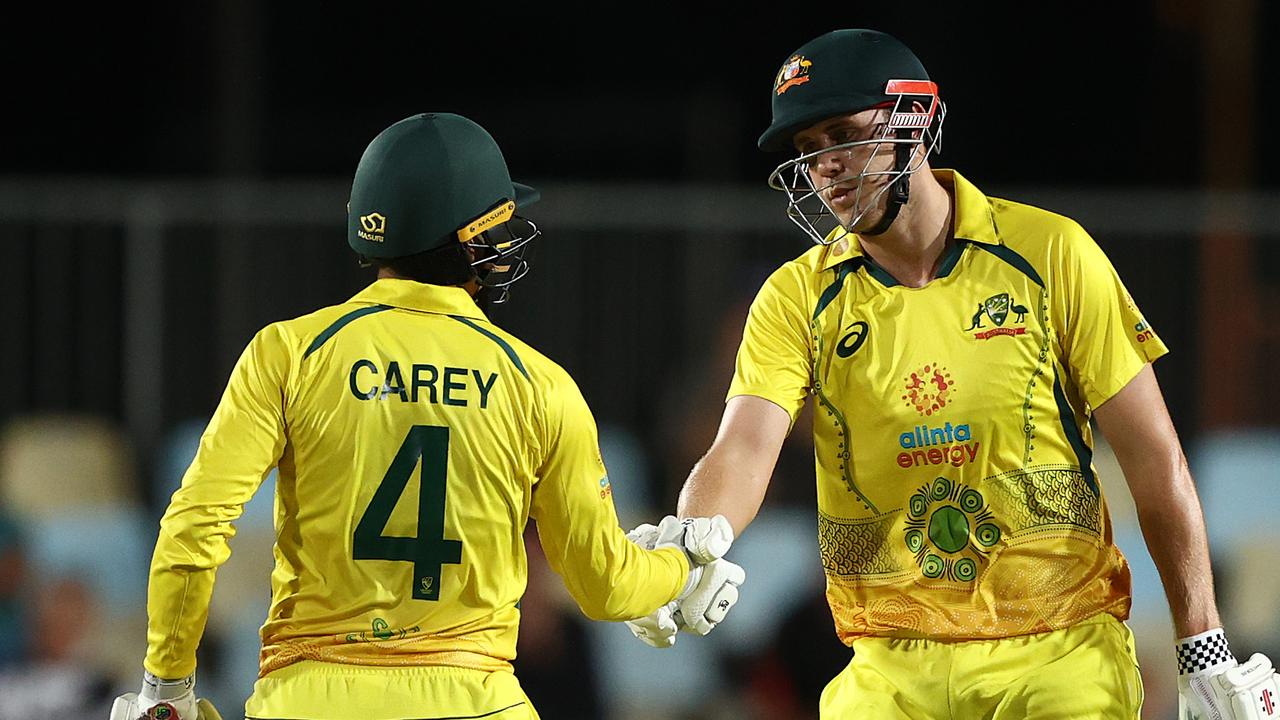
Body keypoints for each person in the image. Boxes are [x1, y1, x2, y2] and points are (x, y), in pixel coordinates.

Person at [628, 29, 1280, 719]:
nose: (826, 168)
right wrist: (693, 539)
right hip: (887, 667)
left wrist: (1202, 646)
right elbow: (744, 445)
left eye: (843, 135)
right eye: (808, 151)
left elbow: (1155, 460)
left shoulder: (1051, 253)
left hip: (1058, 656)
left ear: (917, 118)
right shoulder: (796, 297)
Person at [110, 113, 744, 720]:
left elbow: (193, 530)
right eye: (497, 226)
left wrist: (167, 687)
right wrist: (679, 567)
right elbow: (605, 587)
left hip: (309, 701)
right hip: (477, 703)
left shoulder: (289, 353)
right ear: (469, 238)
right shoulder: (539, 384)